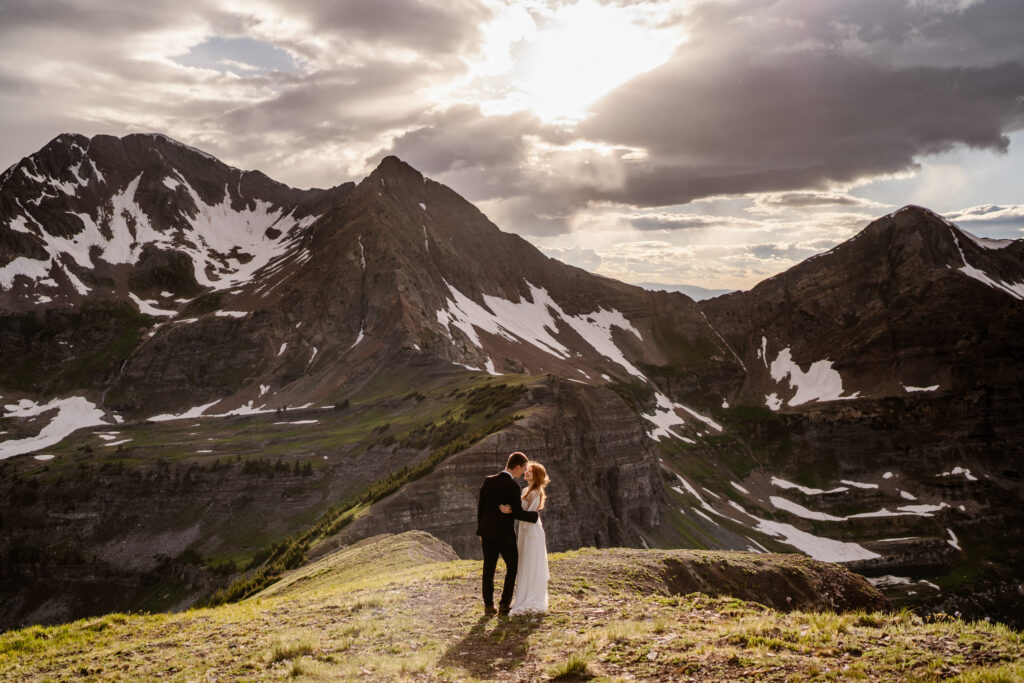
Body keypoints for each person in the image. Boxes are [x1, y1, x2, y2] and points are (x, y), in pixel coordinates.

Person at [476, 451, 539, 615]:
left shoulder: (488, 481)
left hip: (487, 533)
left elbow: (481, 507)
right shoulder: (513, 486)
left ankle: (488, 607)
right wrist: (534, 515)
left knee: (488, 569)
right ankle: (504, 604)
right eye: (523, 468)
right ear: (517, 466)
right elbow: (518, 513)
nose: (523, 472)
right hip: (505, 536)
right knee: (512, 567)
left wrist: (480, 530)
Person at [506, 461, 550, 615]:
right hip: (525, 530)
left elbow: (527, 514)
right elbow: (521, 510)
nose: (526, 472)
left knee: (531, 563)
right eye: (526, 470)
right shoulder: (526, 489)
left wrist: (511, 511)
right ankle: (523, 596)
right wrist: (512, 509)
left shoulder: (535, 492)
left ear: (535, 475)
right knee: (524, 562)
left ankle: (530, 598)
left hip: (532, 531)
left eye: (529, 471)